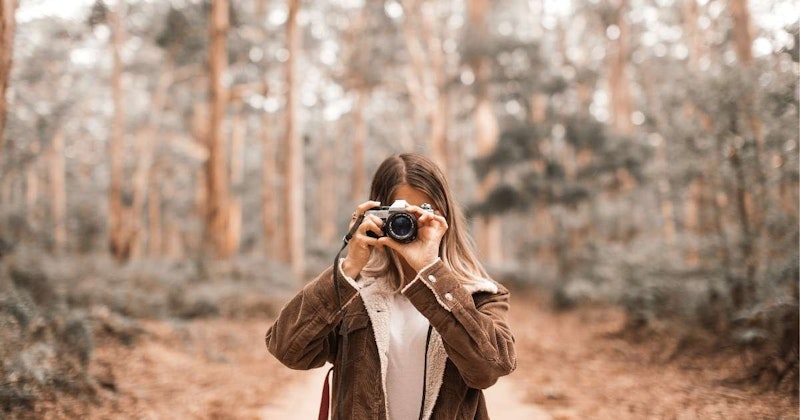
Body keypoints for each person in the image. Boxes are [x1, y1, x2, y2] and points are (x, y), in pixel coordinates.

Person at [265, 153, 516, 420]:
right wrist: (349, 266)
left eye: (423, 213)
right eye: (401, 215)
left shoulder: (480, 295)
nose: (410, 225)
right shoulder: (353, 292)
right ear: (377, 215)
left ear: (444, 217)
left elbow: (490, 369)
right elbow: (288, 350)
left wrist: (431, 271)